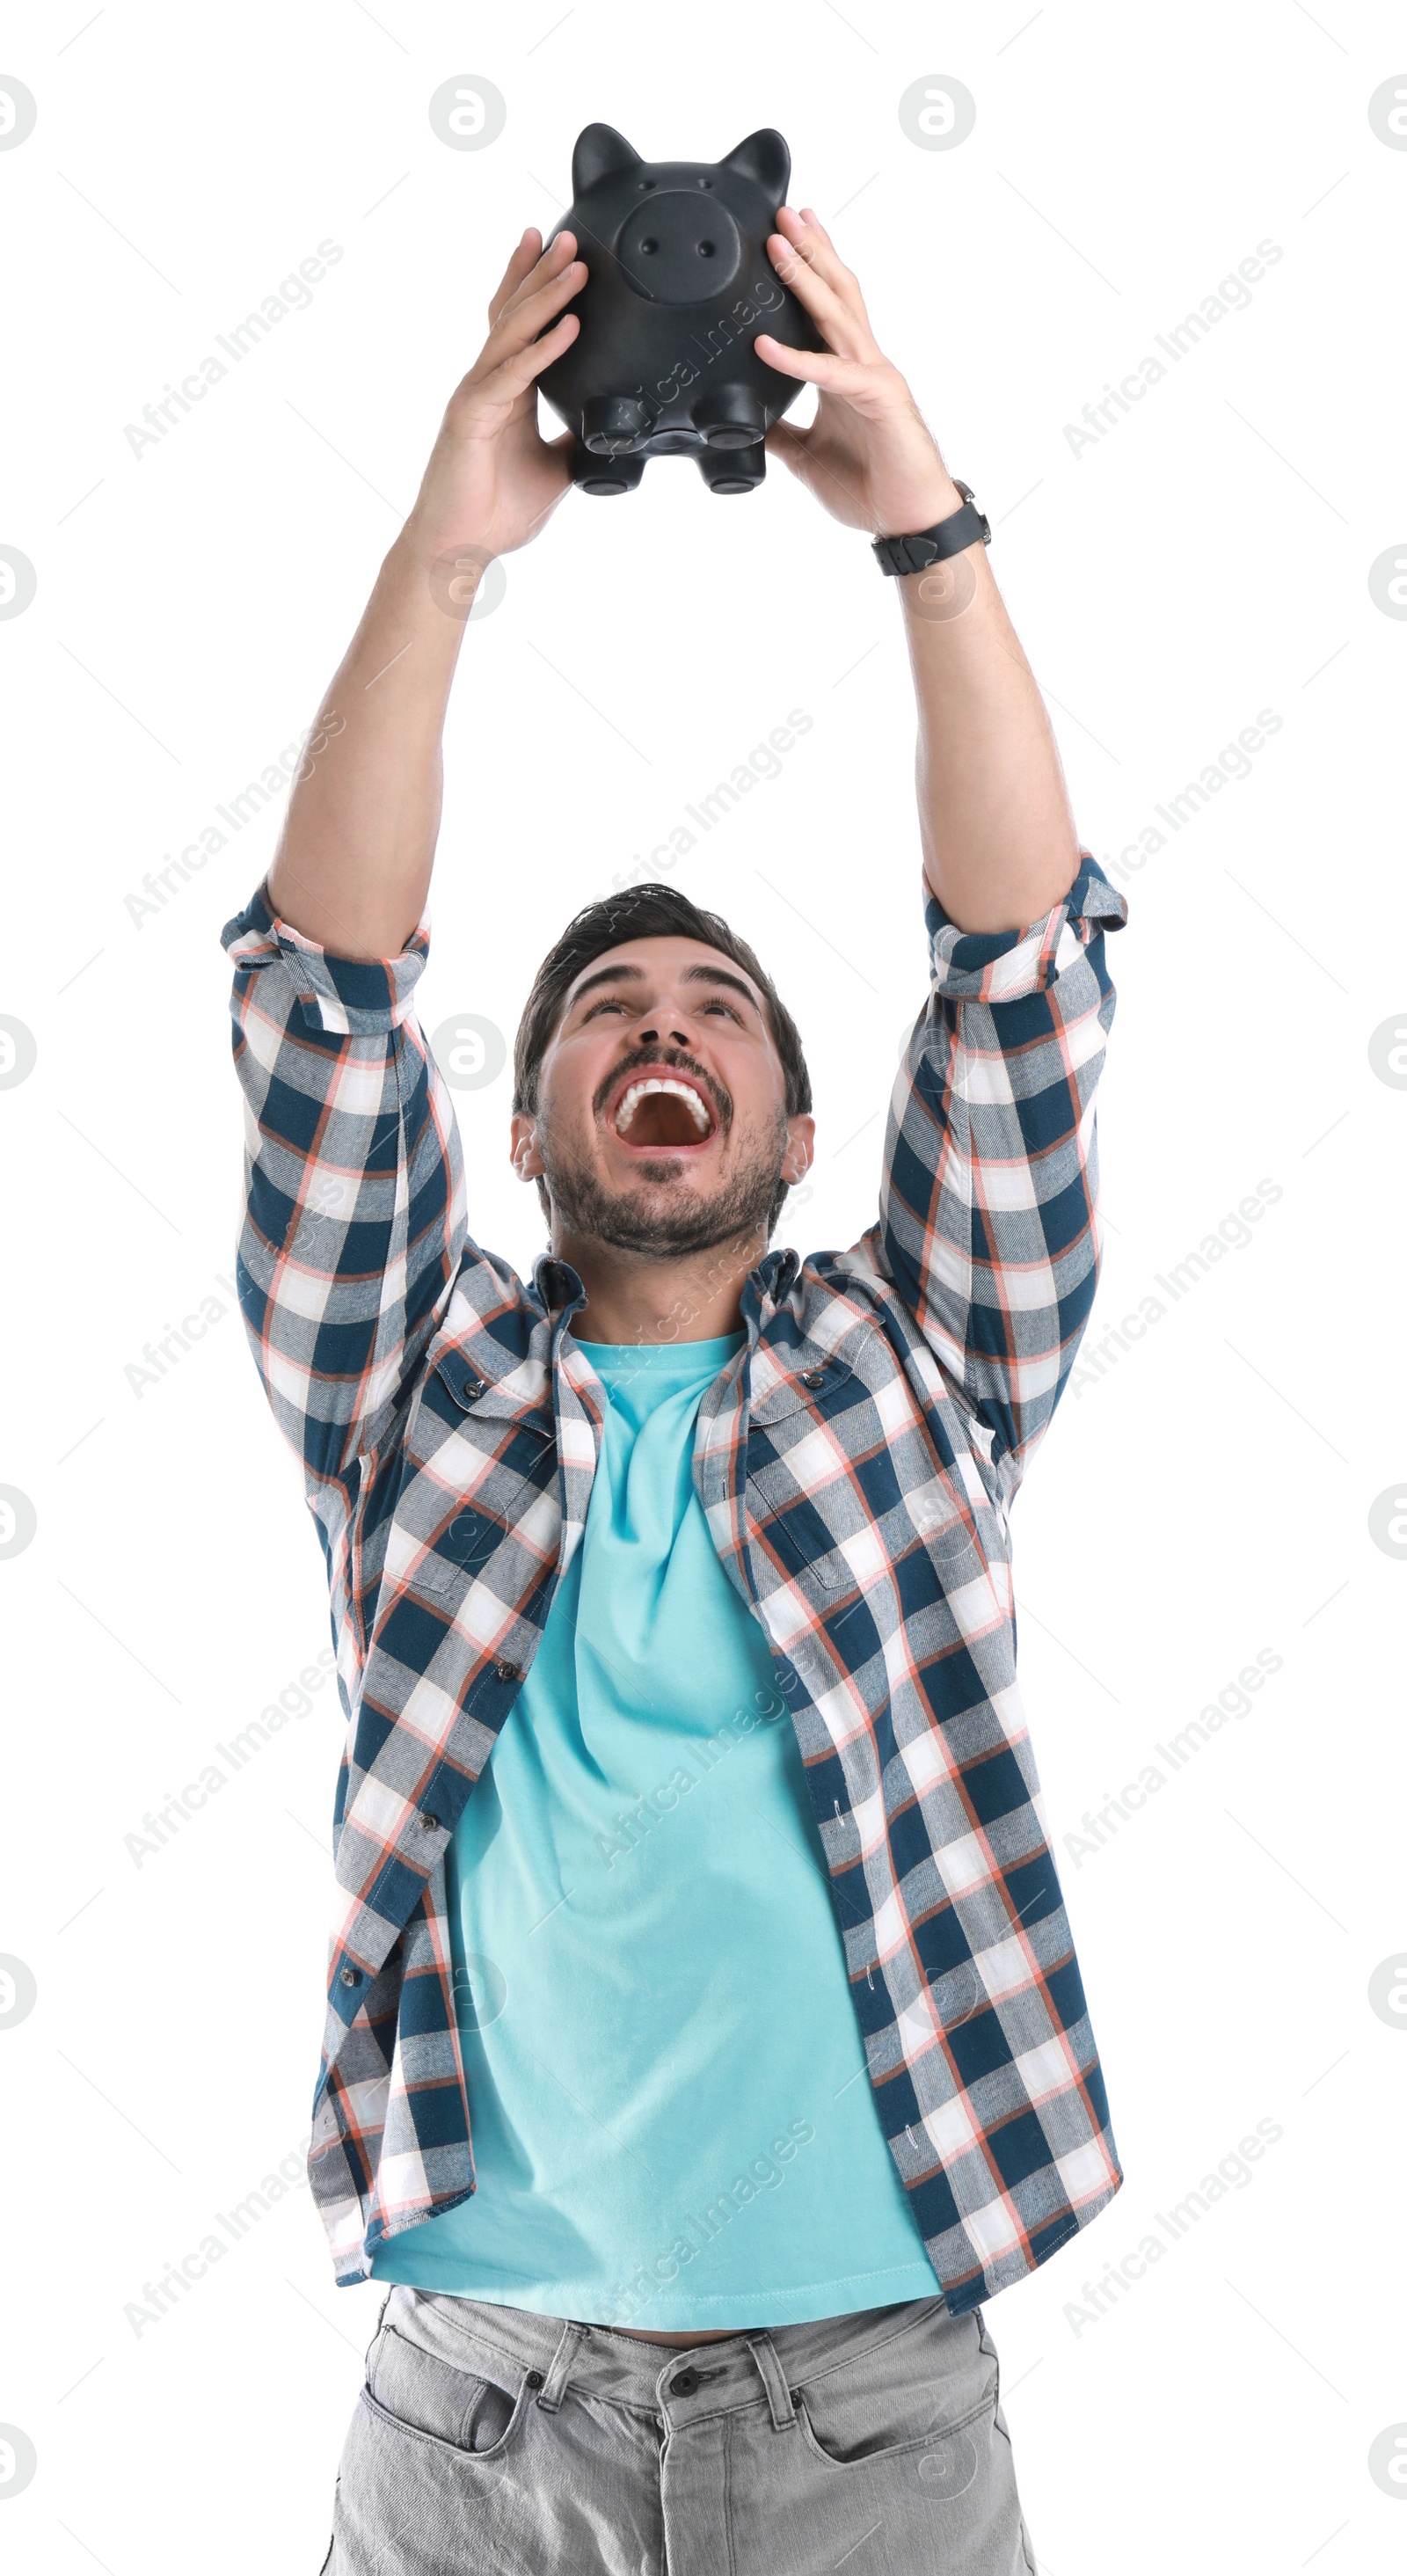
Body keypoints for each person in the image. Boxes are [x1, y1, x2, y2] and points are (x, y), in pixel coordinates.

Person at [222, 200, 1128, 2576]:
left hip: (873, 2418)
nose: (661, 1029)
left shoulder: (921, 1363)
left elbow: (1024, 975)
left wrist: (924, 525)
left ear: (801, 1130)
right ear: (523, 1129)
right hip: (470, 2407)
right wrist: (446, 551)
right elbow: (320, 1000)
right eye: (605, 1015)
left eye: (717, 1012)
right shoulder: (410, 1406)